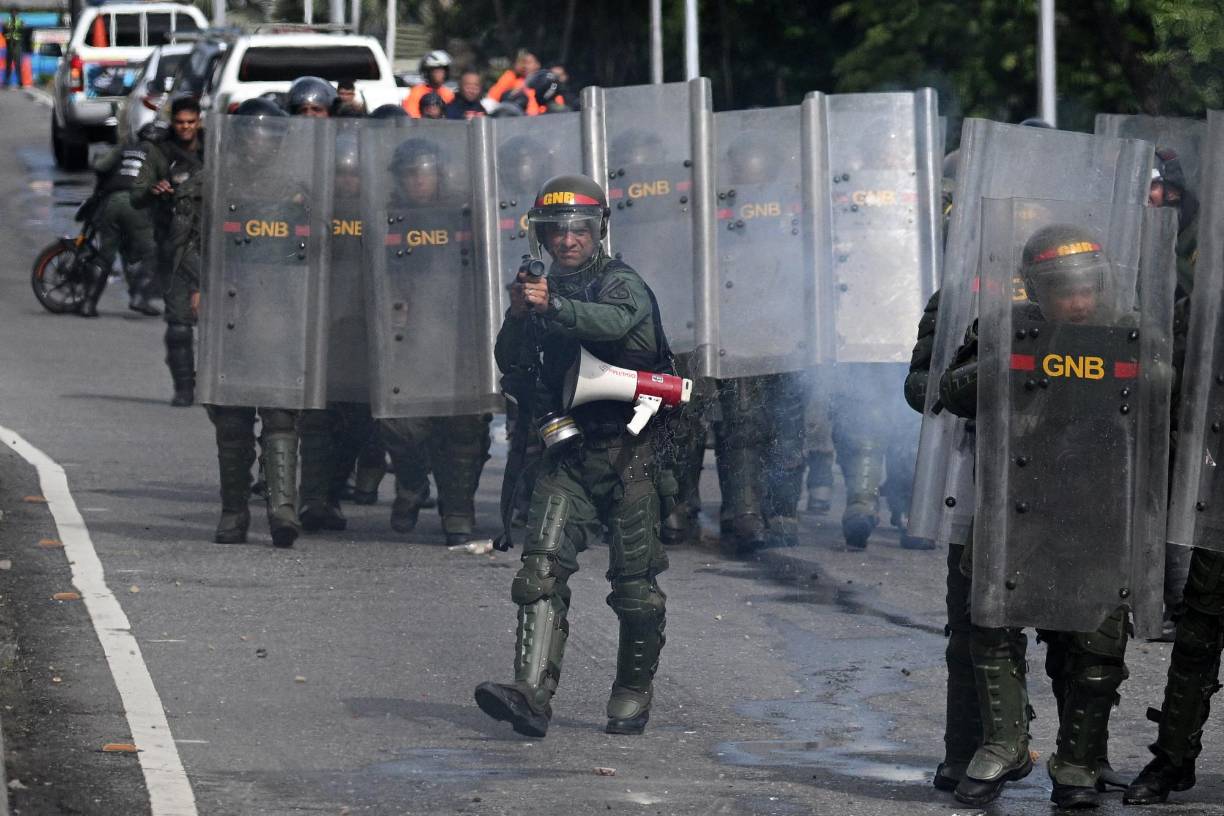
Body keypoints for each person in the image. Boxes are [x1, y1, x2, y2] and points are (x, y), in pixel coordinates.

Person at [940, 225, 1136, 809]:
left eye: (1086, 289)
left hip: (1100, 507)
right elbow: (949, 391)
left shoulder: (1127, 329)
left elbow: (1168, 399)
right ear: (1036, 289)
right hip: (1016, 501)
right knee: (992, 622)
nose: (1077, 302)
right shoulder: (1004, 328)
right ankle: (1004, 744)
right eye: (1063, 291)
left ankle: (1077, 763)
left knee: (1096, 643)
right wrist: (1016, 357)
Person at [474, 173, 673, 738]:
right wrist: (519, 312)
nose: (567, 240)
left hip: (630, 451)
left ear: (598, 231)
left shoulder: (622, 284)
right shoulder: (539, 290)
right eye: (556, 230)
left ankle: (633, 689)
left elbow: (611, 323)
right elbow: (511, 363)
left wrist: (553, 305)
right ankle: (530, 694)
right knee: (539, 573)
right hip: (567, 453)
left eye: (579, 229)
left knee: (635, 591)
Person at [201, 97, 310, 547]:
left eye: (267, 136)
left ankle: (283, 510)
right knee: (231, 419)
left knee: (282, 413)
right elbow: (192, 238)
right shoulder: (217, 180)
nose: (258, 144)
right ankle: (233, 513)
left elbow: (316, 245)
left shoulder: (299, 187)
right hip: (230, 307)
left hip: (282, 310)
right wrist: (194, 287)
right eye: (252, 135)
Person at [378, 137, 491, 544]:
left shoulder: (466, 213)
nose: (418, 182)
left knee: (463, 429)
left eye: (424, 173)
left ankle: (457, 512)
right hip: (407, 337)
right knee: (400, 425)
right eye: (410, 174)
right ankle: (411, 485)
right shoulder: (387, 215)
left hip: (461, 334)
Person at [132, 96, 205, 407]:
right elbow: (137, 194)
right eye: (180, 122)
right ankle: (184, 387)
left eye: (191, 122)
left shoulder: (215, 149)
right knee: (178, 324)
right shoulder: (160, 152)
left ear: (199, 121)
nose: (185, 128)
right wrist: (153, 190)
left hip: (213, 248)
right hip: (174, 249)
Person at [78, 122, 162, 317]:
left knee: (105, 256)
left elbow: (100, 166)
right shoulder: (159, 156)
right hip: (136, 206)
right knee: (151, 251)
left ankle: (88, 304)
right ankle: (139, 297)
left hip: (111, 203)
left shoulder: (124, 148)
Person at [402, 50, 454, 118]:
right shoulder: (416, 93)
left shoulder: (448, 94)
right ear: (427, 72)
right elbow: (412, 119)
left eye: (442, 70)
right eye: (436, 70)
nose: (439, 74)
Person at [3, 8, 24, 89]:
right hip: (9, 46)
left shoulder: (20, 21)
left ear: (17, 13)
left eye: (15, 12)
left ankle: (20, 82)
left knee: (18, 65)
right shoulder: (7, 22)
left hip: (17, 47)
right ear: (10, 13)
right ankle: (6, 82)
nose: (14, 13)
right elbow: (4, 33)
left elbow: (22, 32)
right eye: (12, 12)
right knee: (8, 65)